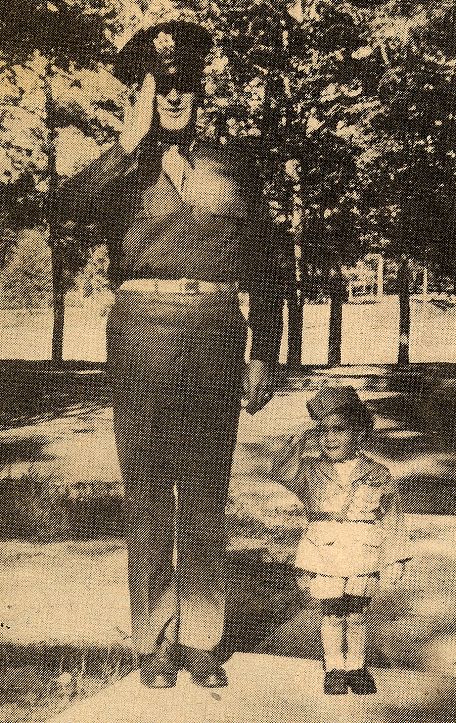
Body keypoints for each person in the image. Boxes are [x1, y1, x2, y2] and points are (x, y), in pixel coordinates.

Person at [54, 19, 284, 689]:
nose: (175, 96)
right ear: (142, 93)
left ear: (200, 89)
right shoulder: (122, 167)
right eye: (161, 85)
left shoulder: (234, 166)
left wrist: (264, 349)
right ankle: (155, 643)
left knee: (206, 489)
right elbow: (64, 212)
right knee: (150, 490)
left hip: (217, 329)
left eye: (184, 83)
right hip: (142, 333)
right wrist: (125, 144)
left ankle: (203, 638)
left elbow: (268, 262)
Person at [271, 386, 410, 696]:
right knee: (332, 611)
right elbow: (280, 471)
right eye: (323, 431)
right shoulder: (310, 471)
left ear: (358, 433)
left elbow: (393, 516)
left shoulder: (377, 473)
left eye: (339, 430)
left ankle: (356, 666)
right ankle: (334, 666)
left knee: (357, 612)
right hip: (325, 551)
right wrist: (299, 438)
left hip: (364, 551)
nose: (329, 439)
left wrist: (397, 558)